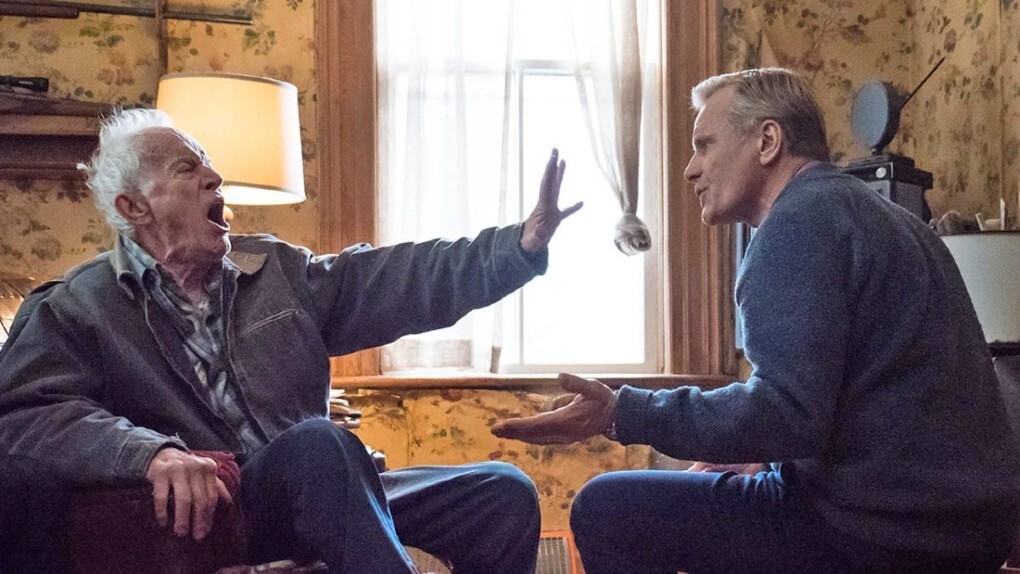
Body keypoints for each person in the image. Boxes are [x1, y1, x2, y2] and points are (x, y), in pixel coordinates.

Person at [0, 107, 581, 574]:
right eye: (186, 169)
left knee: (501, 491)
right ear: (134, 207)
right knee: (316, 446)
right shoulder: (76, 305)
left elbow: (399, 280)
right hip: (223, 508)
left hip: (324, 491)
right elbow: (25, 416)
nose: (214, 178)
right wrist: (150, 453)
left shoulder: (276, 271)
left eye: (209, 165)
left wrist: (517, 248)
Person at [491, 67, 1020, 573]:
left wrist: (618, 412)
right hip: (967, 532)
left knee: (608, 507)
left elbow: (786, 413)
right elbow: (851, 402)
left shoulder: (797, 223)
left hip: (883, 536)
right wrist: (766, 460)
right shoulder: (893, 221)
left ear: (768, 141)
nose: (690, 168)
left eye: (705, 145)